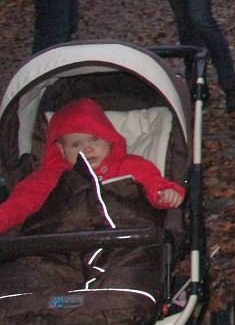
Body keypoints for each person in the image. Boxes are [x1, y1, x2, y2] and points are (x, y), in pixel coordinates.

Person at [0, 98, 184, 234]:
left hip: (121, 234)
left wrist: (164, 193)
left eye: (94, 139)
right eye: (76, 145)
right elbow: (21, 203)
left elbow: (152, 181)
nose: (87, 149)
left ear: (109, 139)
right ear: (62, 150)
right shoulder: (49, 176)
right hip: (64, 238)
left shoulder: (130, 165)